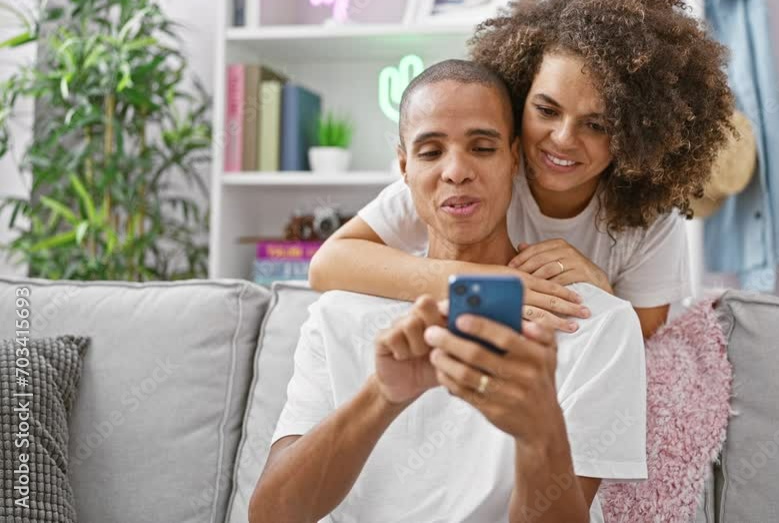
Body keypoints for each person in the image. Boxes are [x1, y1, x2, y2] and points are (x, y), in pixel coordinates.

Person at [250, 61, 647, 523]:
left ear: (514, 159)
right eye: (430, 152)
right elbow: (271, 516)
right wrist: (382, 397)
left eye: (482, 148)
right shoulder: (338, 314)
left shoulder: (598, 325)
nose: (456, 171)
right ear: (403, 166)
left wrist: (540, 434)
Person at [307, 0, 735, 338]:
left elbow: (645, 331)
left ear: (637, 133)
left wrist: (597, 286)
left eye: (597, 124)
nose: (563, 138)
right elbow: (328, 264)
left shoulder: (647, 218)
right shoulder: (474, 177)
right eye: (546, 110)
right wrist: (488, 283)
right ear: (518, 97)